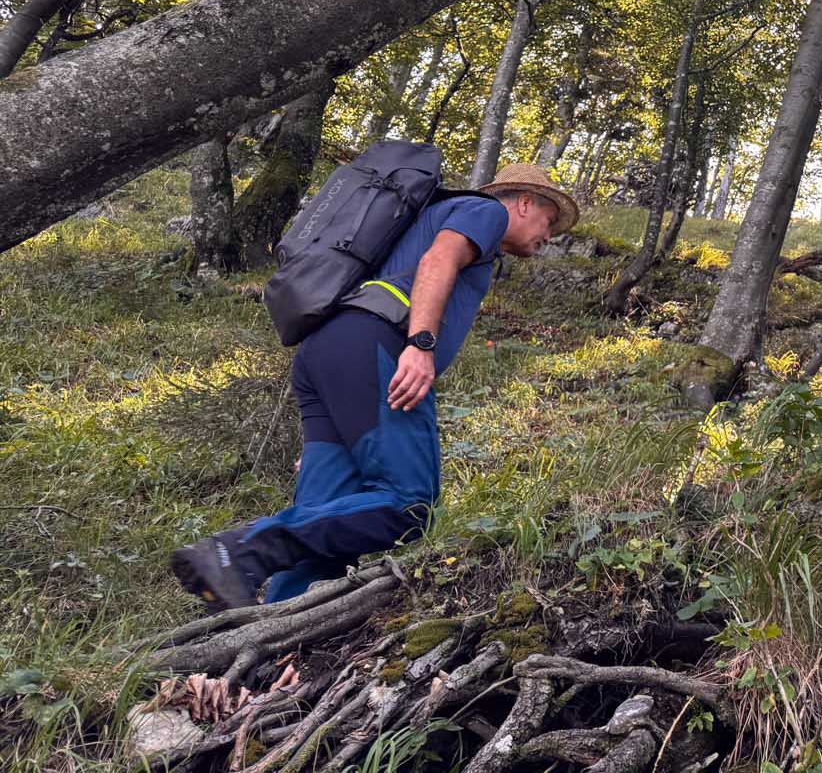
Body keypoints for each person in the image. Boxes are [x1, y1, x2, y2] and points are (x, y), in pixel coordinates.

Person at [170, 162, 578, 608]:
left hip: (330, 351)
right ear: (523, 202)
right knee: (410, 505)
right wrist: (421, 344)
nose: (550, 233)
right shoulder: (485, 212)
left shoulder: (430, 219)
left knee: (327, 528)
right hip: (375, 345)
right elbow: (438, 259)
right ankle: (238, 551)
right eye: (549, 219)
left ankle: (263, 633)